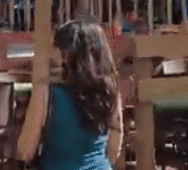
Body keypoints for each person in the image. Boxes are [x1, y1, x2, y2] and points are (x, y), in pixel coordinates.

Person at [21, 20, 123, 170]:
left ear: (66, 54)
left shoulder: (46, 91)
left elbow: (26, 150)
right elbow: (115, 144)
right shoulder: (109, 89)